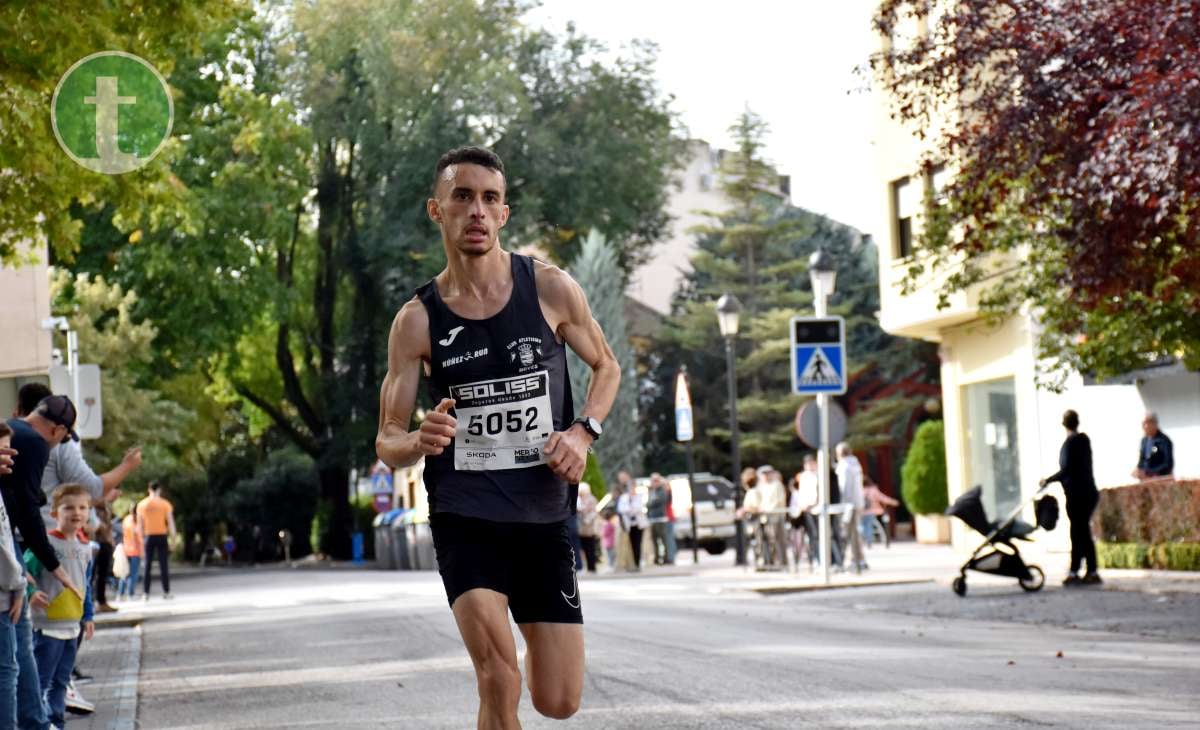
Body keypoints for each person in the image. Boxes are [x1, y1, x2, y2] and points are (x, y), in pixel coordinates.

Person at [374, 146, 620, 726]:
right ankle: (507, 658)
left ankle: (538, 637)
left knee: (558, 701)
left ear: (504, 214)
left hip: (543, 513)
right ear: (437, 210)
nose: (477, 210)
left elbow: (606, 367)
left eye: (490, 198)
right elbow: (387, 439)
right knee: (498, 677)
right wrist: (416, 440)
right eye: (463, 196)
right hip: (467, 516)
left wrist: (583, 433)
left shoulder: (551, 289)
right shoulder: (418, 319)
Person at [4, 395, 85, 730]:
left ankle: (34, 721)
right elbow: (26, 513)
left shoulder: (14, 429)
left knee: (18, 646)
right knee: (13, 656)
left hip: (8, 546)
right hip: (6, 550)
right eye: (62, 440)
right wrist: (55, 565)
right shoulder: (35, 443)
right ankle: (33, 722)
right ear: (58, 430)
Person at [25, 484, 95, 730]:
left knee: (62, 682)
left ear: (89, 512)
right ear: (55, 513)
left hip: (72, 627)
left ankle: (56, 722)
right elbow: (24, 573)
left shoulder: (86, 548)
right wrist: (31, 593)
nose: (76, 512)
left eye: (82, 507)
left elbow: (85, 584)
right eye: (69, 508)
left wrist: (88, 615)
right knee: (41, 681)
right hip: (47, 626)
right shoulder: (45, 544)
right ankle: (40, 723)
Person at [1041, 409, 1101, 586]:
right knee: (1083, 532)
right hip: (1088, 493)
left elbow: (1067, 470)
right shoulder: (1084, 441)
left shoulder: (1070, 444)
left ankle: (1076, 571)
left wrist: (1048, 480)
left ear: (1064, 424)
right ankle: (1090, 570)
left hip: (1077, 495)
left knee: (1078, 533)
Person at [0, 421, 27, 728]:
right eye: (2, 450)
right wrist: (18, 584)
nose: (8, 457)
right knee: (6, 671)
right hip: (3, 595)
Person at [138, 481, 176, 600]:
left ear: (149, 489)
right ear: (159, 489)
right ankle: (166, 592)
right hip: (162, 536)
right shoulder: (165, 504)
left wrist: (140, 540)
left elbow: (140, 525)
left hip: (148, 537)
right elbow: (170, 522)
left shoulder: (142, 504)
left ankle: (145, 593)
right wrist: (173, 539)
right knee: (163, 565)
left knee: (148, 566)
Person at [835, 443, 867, 573]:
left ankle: (853, 560)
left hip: (849, 504)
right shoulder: (856, 464)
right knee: (855, 532)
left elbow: (845, 487)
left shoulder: (845, 467)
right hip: (857, 503)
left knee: (848, 533)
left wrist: (843, 505)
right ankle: (859, 559)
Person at [1132, 412, 1173, 480]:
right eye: (1143, 424)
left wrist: (1150, 472)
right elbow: (1142, 461)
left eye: (1146, 423)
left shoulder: (1164, 441)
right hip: (1145, 480)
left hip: (1160, 481)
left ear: (1154, 424)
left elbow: (1167, 465)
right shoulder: (1144, 441)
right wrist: (1138, 470)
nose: (1144, 426)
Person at [617, 482, 647, 571]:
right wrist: (630, 509)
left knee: (637, 544)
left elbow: (639, 508)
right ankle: (630, 564)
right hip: (628, 525)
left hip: (638, 524)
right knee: (630, 545)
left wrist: (631, 509)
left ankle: (638, 563)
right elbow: (621, 509)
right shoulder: (624, 498)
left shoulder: (639, 497)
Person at [861, 482, 899, 547]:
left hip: (862, 512)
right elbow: (882, 498)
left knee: (864, 526)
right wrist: (893, 502)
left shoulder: (860, 491)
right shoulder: (873, 490)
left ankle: (865, 540)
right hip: (872, 511)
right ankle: (869, 541)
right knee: (869, 525)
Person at [117, 505, 142, 600]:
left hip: (126, 549)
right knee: (133, 574)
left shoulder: (126, 520)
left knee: (124, 573)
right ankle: (130, 594)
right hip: (135, 551)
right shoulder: (137, 521)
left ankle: (120, 594)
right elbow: (139, 537)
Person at [646, 473, 670, 565]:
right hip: (652, 518)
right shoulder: (651, 491)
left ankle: (666, 557)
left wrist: (650, 504)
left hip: (660, 518)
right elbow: (649, 503)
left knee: (663, 539)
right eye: (653, 481)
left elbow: (658, 502)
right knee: (654, 540)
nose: (654, 483)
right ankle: (656, 558)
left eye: (656, 481)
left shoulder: (662, 491)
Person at [576, 484, 599, 574]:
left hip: (590, 528)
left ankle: (592, 567)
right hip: (581, 528)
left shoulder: (592, 499)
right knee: (583, 548)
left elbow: (594, 512)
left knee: (591, 548)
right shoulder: (579, 499)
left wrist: (587, 519)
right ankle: (587, 567)